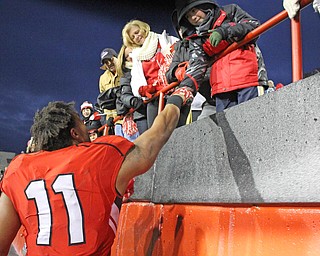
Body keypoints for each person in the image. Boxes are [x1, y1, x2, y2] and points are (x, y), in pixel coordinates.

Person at [0, 88, 193, 256]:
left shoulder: (19, 169)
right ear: (74, 133)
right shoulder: (100, 155)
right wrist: (178, 98)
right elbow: (154, 139)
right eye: (81, 124)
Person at [174, 0, 268, 112]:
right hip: (221, 87)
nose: (193, 17)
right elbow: (197, 65)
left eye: (194, 11)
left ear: (203, 6)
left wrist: (224, 31)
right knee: (228, 128)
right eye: (188, 16)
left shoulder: (230, 11)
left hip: (248, 79)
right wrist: (185, 89)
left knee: (253, 121)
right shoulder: (196, 39)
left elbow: (253, 25)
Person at [122, 19, 180, 128]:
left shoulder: (164, 39)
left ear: (143, 28)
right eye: (133, 37)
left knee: (178, 127)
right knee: (154, 131)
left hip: (173, 88)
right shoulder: (137, 56)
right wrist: (142, 90)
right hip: (154, 96)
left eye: (136, 32)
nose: (137, 37)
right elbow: (136, 79)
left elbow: (182, 52)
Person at [115, 44, 148, 136]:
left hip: (158, 104)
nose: (130, 57)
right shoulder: (125, 75)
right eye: (127, 56)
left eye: (131, 52)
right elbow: (125, 95)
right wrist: (133, 101)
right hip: (141, 113)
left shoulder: (149, 62)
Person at [98, 48, 123, 134]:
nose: (109, 64)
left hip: (130, 115)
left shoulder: (124, 70)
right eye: (105, 62)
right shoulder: (102, 78)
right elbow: (105, 101)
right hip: (117, 121)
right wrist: (109, 118)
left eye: (110, 60)